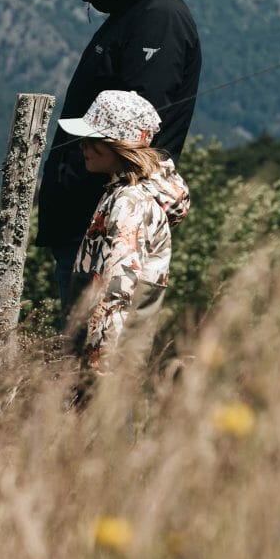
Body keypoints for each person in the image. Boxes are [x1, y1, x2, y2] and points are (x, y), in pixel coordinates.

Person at [36, 0, 201, 304]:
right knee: (88, 348)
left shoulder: (156, 17)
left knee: (95, 349)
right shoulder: (137, 12)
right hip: (94, 215)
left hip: (106, 220)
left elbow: (136, 127)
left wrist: (75, 183)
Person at [59, 90, 189, 376]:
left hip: (106, 370)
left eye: (92, 139)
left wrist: (95, 372)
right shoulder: (126, 194)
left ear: (119, 145)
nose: (82, 146)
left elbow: (115, 291)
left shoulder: (129, 203)